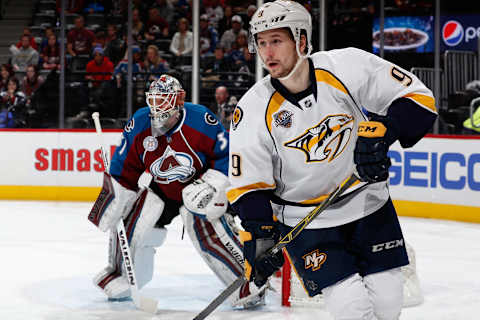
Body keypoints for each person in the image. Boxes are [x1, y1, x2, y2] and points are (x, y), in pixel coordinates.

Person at [227, 1, 437, 320]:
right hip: (307, 223)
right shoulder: (252, 108)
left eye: (277, 41)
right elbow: (248, 184)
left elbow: (418, 98)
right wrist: (258, 234)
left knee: (388, 305)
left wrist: (384, 133)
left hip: (369, 205)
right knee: (352, 309)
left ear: (301, 40)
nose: (268, 52)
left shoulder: (346, 65)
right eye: (262, 42)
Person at [87, 74, 266, 308]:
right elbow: (124, 171)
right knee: (135, 221)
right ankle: (121, 274)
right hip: (161, 187)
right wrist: (113, 197)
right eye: (154, 100)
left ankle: (245, 281)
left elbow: (226, 156)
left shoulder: (201, 119)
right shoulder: (139, 124)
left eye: (163, 100)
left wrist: (214, 184)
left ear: (179, 100)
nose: (157, 107)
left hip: (200, 187)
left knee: (209, 231)